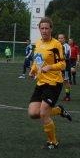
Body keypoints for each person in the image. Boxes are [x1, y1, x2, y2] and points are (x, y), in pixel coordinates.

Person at [27, 18, 72, 149]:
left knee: (43, 113)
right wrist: (32, 71)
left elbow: (63, 64)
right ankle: (59, 110)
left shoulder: (56, 44)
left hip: (53, 83)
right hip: (41, 82)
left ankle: (53, 142)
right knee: (33, 113)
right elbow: (37, 61)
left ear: (51, 29)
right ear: (39, 29)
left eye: (47, 28)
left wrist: (50, 67)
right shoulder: (38, 43)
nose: (44, 30)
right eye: (42, 28)